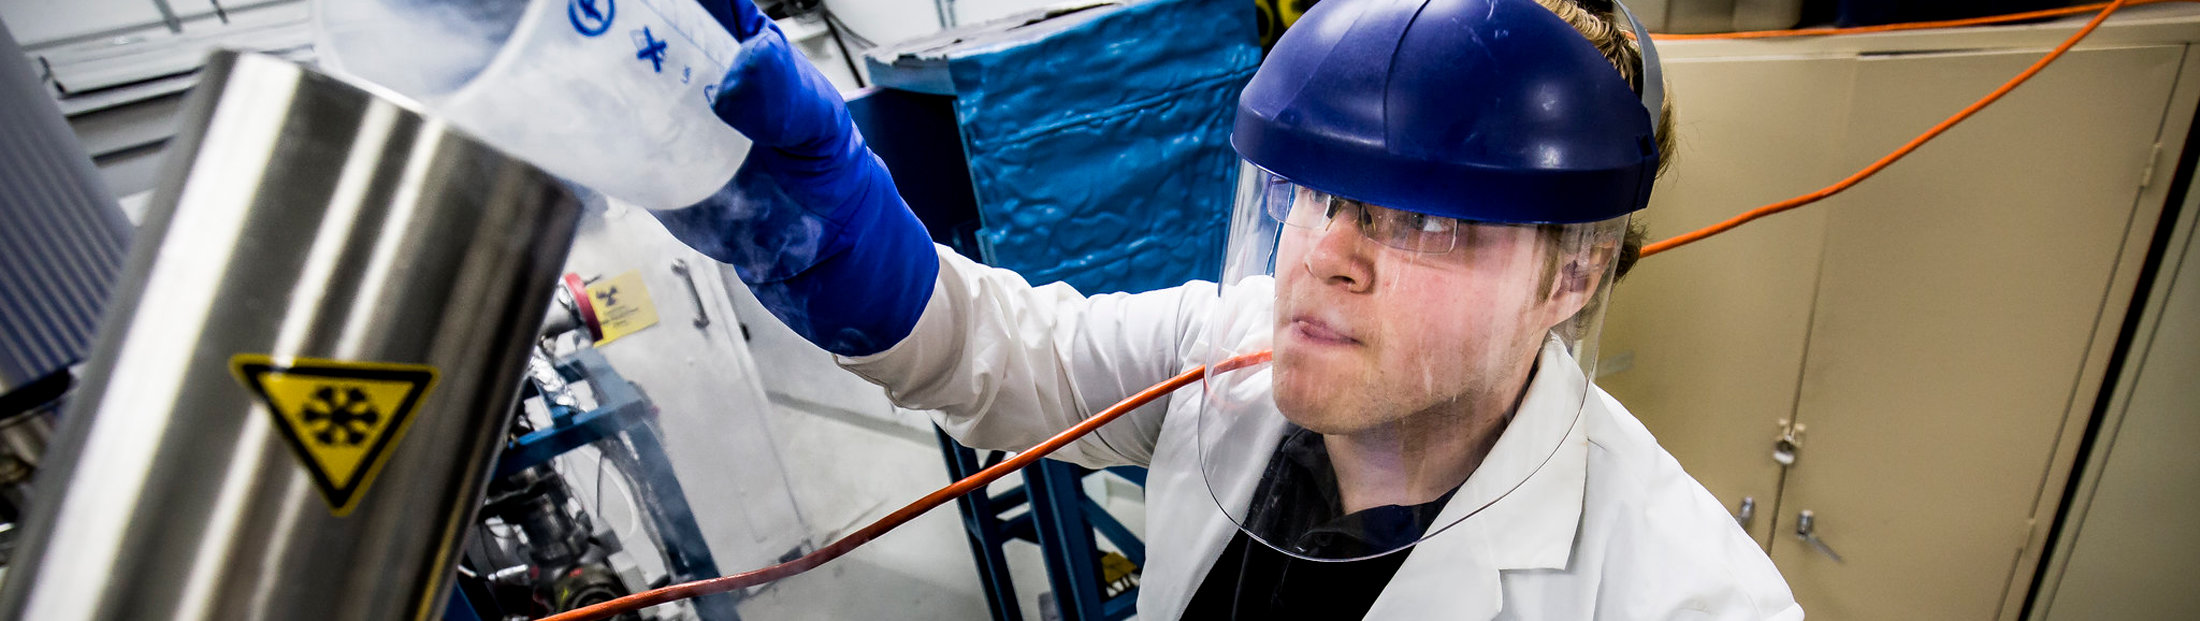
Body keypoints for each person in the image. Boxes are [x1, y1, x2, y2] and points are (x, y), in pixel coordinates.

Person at [655, 0, 1803, 617]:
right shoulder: (1238, 351)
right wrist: (835, 224)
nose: (1329, 258)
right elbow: (1003, 357)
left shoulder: (1679, 595)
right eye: (1317, 194)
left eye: (1428, 221)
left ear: (1570, 277)